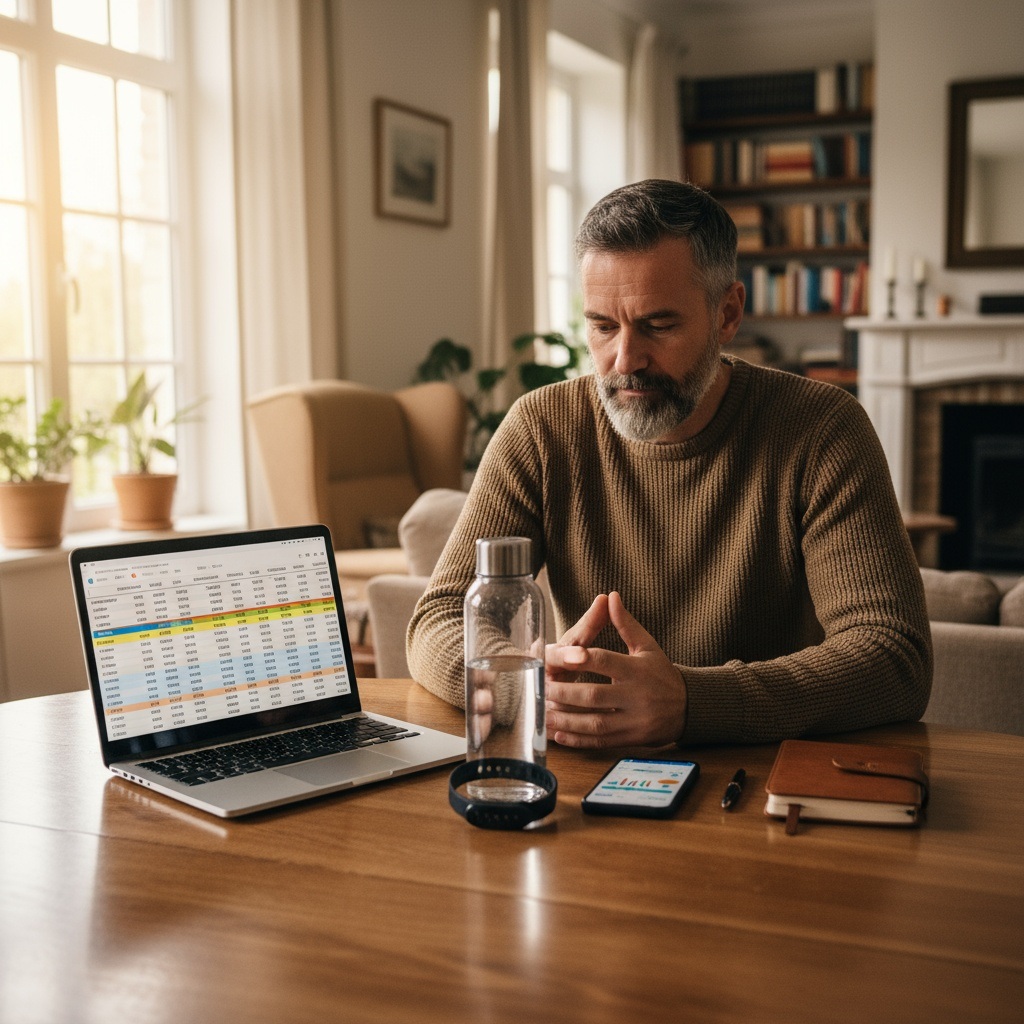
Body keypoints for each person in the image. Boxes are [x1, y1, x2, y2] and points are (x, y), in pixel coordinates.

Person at [407, 178, 931, 748]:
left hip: (759, 778)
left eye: (658, 325)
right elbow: (439, 618)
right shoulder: (541, 427)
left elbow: (892, 655)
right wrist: (535, 689)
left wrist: (690, 703)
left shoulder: (821, 428)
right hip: (587, 774)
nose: (625, 360)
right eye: (603, 327)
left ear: (727, 313)